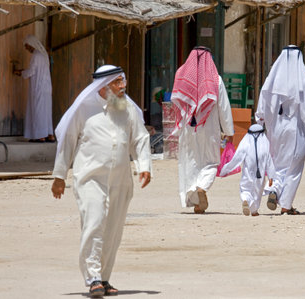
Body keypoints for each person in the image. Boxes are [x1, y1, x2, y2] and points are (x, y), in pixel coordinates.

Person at [50, 65, 152, 297]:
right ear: (103, 87)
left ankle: (104, 278)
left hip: (121, 179)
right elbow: (67, 142)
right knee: (94, 223)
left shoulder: (126, 108)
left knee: (113, 229)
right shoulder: (84, 109)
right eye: (117, 83)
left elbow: (140, 138)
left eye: (123, 81)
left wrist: (144, 166)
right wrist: (59, 176)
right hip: (90, 178)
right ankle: (93, 277)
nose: (122, 86)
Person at [255, 45, 305, 215]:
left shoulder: (272, 80)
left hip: (275, 129)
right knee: (295, 166)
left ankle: (275, 190)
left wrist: (259, 123)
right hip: (296, 129)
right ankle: (286, 205)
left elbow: (262, 104)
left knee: (278, 163)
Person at [171, 46, 234, 214]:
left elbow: (176, 102)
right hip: (209, 128)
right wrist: (229, 131)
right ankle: (202, 187)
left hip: (188, 128)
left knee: (191, 162)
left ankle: (197, 201)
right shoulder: (216, 80)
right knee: (211, 162)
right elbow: (224, 107)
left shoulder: (181, 77)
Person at [219, 124, 276, 216]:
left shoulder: (245, 143)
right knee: (257, 191)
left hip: (248, 173)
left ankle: (245, 199)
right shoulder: (265, 146)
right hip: (260, 175)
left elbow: (237, 158)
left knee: (245, 188)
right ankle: (254, 211)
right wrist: (271, 176)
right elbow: (269, 162)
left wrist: (225, 170)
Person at [13, 35, 55, 142]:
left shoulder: (36, 55)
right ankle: (50, 135)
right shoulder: (44, 55)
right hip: (46, 88)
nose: (27, 49)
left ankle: (40, 136)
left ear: (32, 44)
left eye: (27, 46)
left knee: (38, 111)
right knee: (46, 112)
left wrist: (20, 73)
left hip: (38, 88)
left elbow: (31, 72)